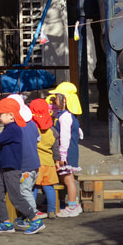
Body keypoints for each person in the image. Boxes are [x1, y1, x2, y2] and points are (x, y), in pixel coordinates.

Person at [0, 98, 45, 235]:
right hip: (4, 167)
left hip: (12, 169)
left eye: (1, 115)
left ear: (11, 116)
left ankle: (35, 219)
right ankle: (6, 223)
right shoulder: (9, 128)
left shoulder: (14, 129)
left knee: (16, 197)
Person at [48, 82, 83, 218]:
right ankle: (67, 203)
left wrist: (62, 156)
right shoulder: (66, 115)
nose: (54, 99)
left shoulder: (65, 117)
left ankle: (73, 205)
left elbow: (65, 137)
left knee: (68, 179)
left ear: (64, 99)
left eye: (56, 97)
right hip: (69, 151)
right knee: (63, 178)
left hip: (67, 153)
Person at [8, 94, 41, 227]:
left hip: (25, 166)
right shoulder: (32, 124)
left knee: (24, 191)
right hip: (35, 164)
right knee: (28, 190)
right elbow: (38, 139)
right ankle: (26, 216)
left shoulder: (16, 128)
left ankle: (32, 217)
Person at [29, 98, 60, 219]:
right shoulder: (53, 131)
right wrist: (57, 161)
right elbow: (56, 149)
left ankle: (32, 210)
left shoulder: (32, 129)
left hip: (35, 163)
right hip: (49, 163)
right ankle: (52, 211)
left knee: (34, 188)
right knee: (49, 188)